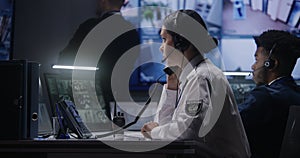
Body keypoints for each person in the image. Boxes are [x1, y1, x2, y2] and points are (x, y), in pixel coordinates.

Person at [141, 9, 251, 158]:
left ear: (181, 42)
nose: (161, 47)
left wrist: (154, 132)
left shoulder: (201, 77)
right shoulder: (194, 75)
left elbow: (186, 133)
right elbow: (167, 128)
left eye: (164, 39)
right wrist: (172, 89)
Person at [57, 0, 140, 119]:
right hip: (120, 105)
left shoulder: (89, 27)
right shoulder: (132, 33)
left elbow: (64, 59)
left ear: (103, 2)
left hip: (90, 103)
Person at [239, 30, 300, 158]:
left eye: (257, 60)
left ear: (271, 64)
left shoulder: (263, 97)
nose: (253, 66)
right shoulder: (296, 94)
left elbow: (229, 124)